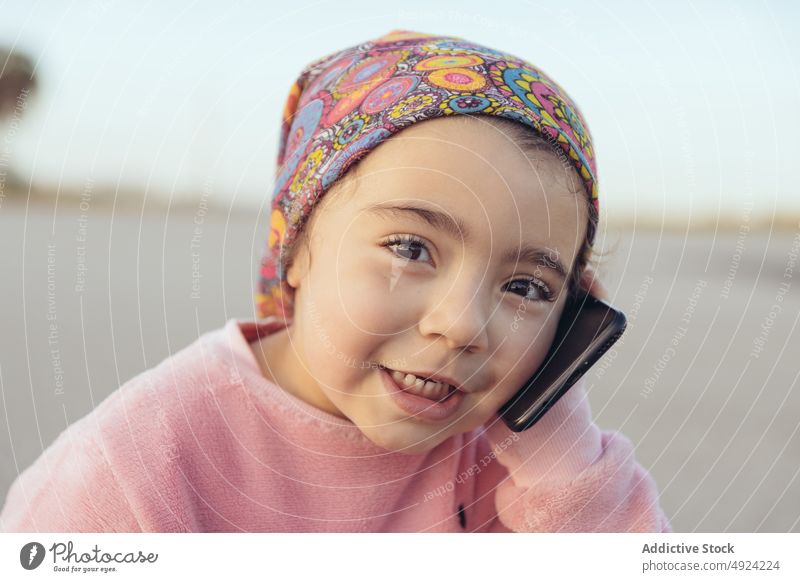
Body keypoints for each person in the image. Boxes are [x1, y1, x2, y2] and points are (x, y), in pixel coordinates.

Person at [1, 30, 671, 532]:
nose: (463, 325)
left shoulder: (525, 464)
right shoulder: (132, 471)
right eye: (411, 247)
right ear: (297, 247)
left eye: (528, 288)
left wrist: (563, 456)